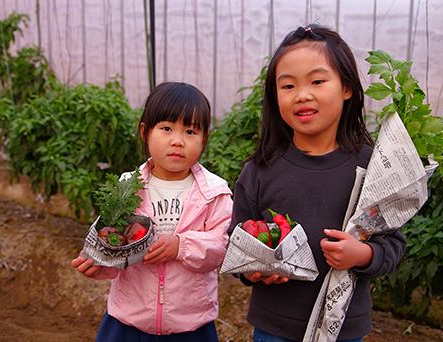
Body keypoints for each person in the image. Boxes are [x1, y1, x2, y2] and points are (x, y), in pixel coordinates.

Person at [228, 24, 406, 342]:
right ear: (274, 95)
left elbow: (392, 243)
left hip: (343, 327)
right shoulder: (260, 170)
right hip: (274, 327)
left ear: (347, 87)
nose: (303, 95)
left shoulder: (371, 168)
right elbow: (238, 241)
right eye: (288, 86)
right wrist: (253, 269)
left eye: (317, 81)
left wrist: (362, 255)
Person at [72, 82, 233, 342]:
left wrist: (181, 246)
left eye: (190, 131)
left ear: (204, 140)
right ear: (145, 132)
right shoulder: (128, 188)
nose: (178, 141)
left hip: (190, 325)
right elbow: (115, 239)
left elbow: (221, 247)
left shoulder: (214, 193)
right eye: (167, 128)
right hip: (128, 320)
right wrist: (98, 262)